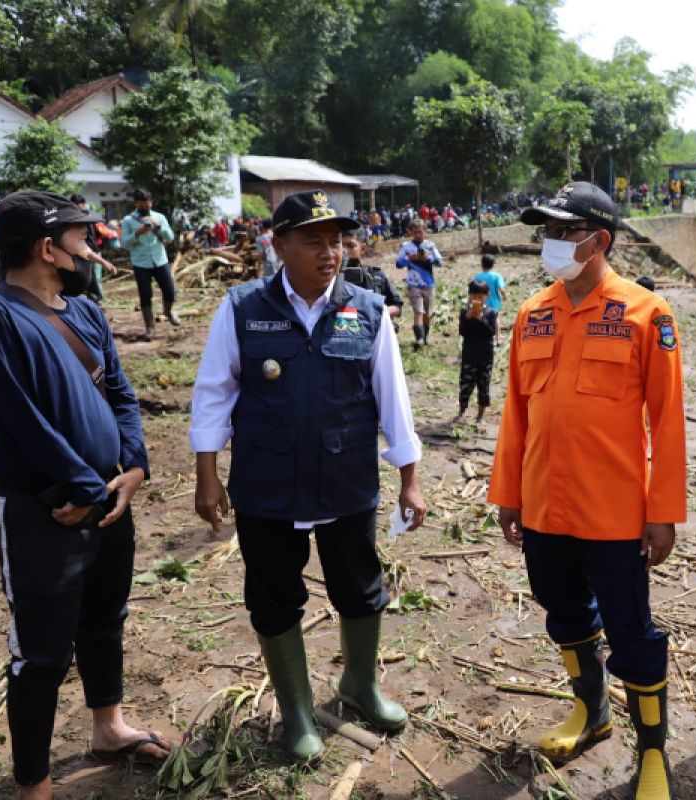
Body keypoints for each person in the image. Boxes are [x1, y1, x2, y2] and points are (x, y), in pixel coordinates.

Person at [190, 189, 427, 760]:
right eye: (314, 241)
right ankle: (296, 710)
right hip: (267, 486)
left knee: (360, 587)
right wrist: (207, 475)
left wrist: (410, 478)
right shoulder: (244, 309)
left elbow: (392, 399)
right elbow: (213, 394)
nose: (331, 253)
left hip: (345, 481)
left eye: (338, 241)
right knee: (273, 596)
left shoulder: (366, 310)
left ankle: (360, 684)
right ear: (279, 245)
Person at [489, 182, 687, 800]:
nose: (548, 242)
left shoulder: (646, 313)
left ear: (599, 240)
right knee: (565, 613)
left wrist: (664, 514)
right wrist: (509, 494)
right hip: (546, 505)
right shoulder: (533, 312)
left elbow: (669, 420)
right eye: (544, 231)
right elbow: (516, 414)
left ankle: (652, 755)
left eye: (562, 231)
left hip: (615, 513)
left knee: (632, 632)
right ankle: (591, 712)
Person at [0, 191, 164, 800]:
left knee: (105, 619)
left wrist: (132, 467)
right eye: (82, 237)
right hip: (43, 506)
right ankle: (34, 782)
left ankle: (108, 728)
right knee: (44, 650)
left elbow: (124, 394)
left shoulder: (83, 311)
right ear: (45, 247)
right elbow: (20, 418)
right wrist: (83, 488)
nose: (93, 247)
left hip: (108, 497)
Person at [120, 189, 178, 341]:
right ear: (136, 203)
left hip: (160, 260)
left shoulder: (159, 217)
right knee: (145, 295)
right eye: (142, 203)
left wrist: (160, 227)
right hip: (141, 263)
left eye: (147, 203)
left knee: (170, 291)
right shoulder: (128, 220)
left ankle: (168, 312)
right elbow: (124, 243)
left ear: (151, 202)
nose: (145, 205)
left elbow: (170, 237)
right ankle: (150, 328)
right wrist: (137, 234)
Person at [395, 219, 443, 349]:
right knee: (418, 311)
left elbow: (440, 261)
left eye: (420, 232)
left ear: (424, 232)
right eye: (415, 232)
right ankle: (419, 338)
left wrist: (429, 258)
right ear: (410, 232)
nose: (418, 235)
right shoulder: (406, 247)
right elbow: (398, 263)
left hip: (428, 284)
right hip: (413, 284)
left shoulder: (430, 246)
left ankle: (425, 337)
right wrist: (409, 258)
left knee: (427, 313)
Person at [341, 230, 403, 322]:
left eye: (351, 246)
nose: (345, 251)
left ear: (363, 248)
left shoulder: (376, 276)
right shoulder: (328, 279)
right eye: (340, 246)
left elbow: (397, 306)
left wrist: (380, 312)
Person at [457, 279, 495, 422]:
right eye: (474, 296)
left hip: (485, 357)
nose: (477, 299)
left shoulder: (491, 313)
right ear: (469, 296)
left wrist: (480, 318)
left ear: (487, 296)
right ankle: (462, 410)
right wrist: (467, 317)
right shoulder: (465, 311)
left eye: (481, 297)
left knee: (483, 386)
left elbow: (490, 332)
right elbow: (462, 332)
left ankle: (480, 414)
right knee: (465, 386)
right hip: (469, 356)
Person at [69, 194, 118, 303]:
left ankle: (96, 299)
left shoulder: (89, 218)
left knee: (94, 279)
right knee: (89, 279)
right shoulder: (75, 220)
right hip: (82, 253)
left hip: (91, 251)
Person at [473, 253, 507, 345]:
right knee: (496, 318)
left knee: (481, 317)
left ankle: (481, 337)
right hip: (494, 302)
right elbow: (501, 288)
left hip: (481, 301)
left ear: (482, 264)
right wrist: (504, 296)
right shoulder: (496, 276)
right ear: (493, 265)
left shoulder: (477, 277)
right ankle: (498, 338)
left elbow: (474, 290)